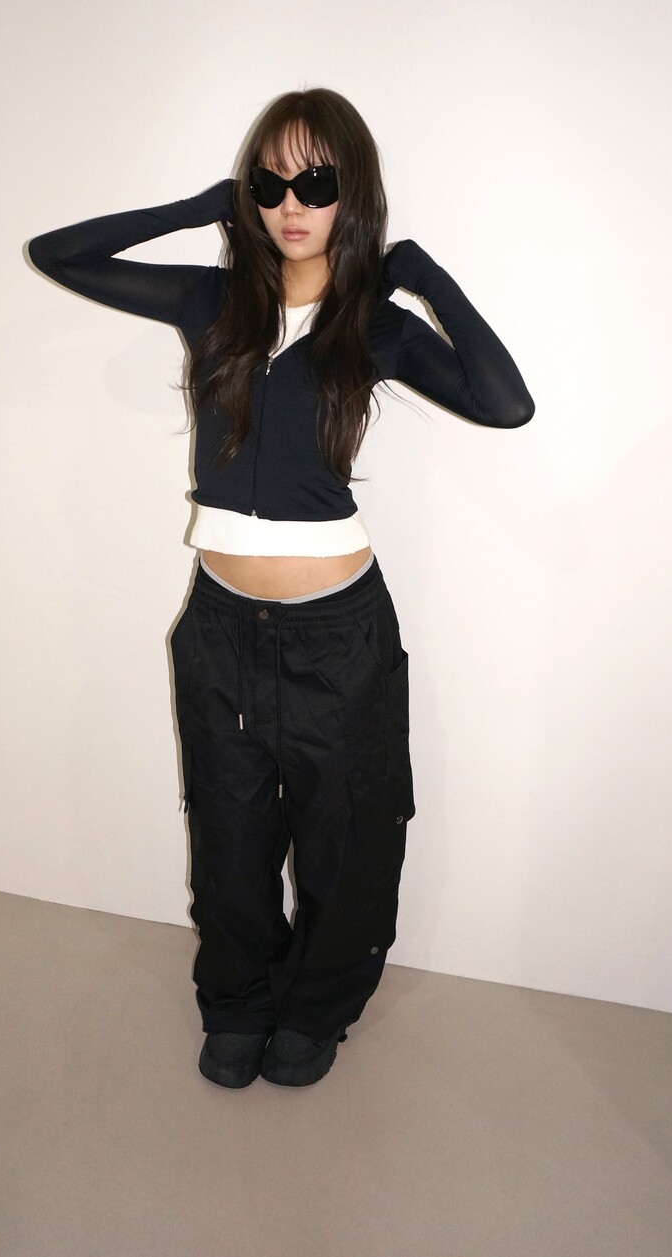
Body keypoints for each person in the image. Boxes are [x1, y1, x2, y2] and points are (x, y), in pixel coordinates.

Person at [27, 87, 534, 1090]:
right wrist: (198, 208)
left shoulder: (375, 326)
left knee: (345, 838)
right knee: (229, 831)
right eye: (267, 183)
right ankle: (236, 1000)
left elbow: (505, 402)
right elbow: (59, 254)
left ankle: (315, 1007)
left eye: (315, 181)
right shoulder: (212, 302)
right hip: (220, 625)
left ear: (354, 191)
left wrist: (422, 276)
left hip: (338, 635)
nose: (290, 202)